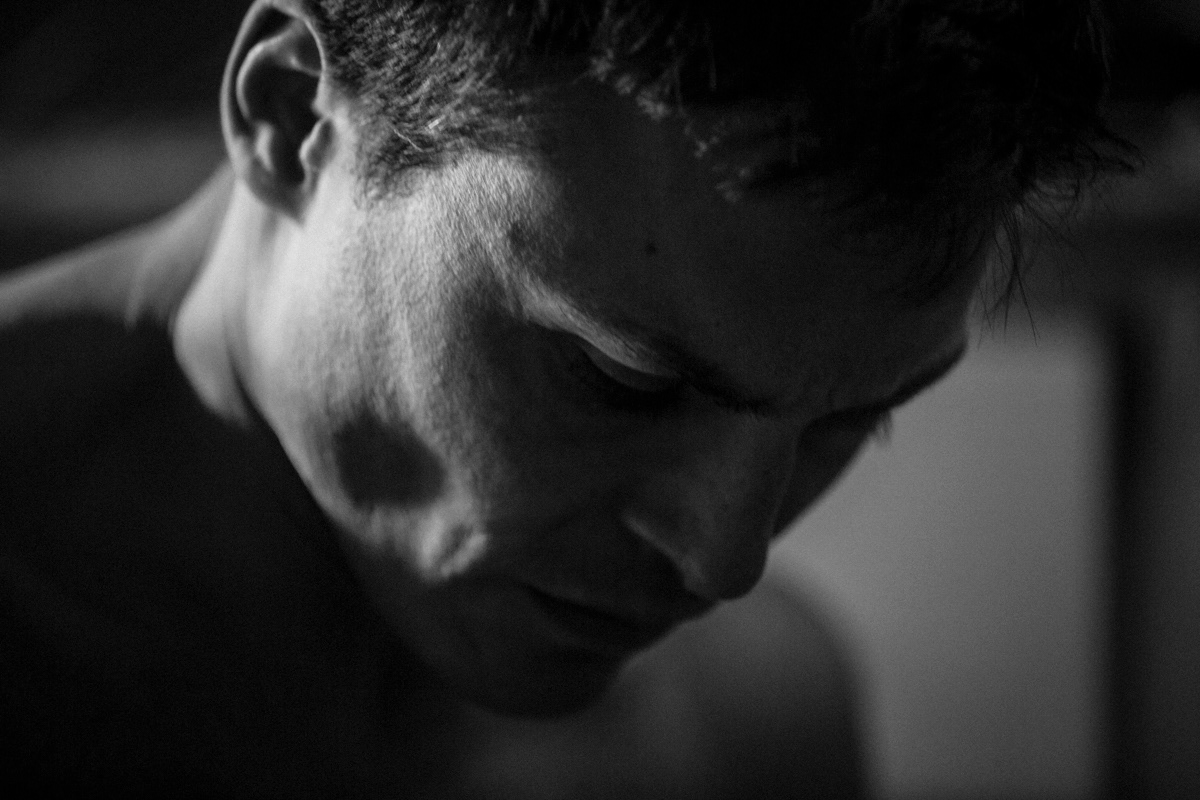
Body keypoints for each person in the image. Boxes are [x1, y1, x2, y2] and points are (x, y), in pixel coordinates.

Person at [0, 0, 1122, 795]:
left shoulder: (754, 716)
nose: (723, 561)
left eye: (853, 419)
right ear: (293, 118)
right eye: (619, 380)